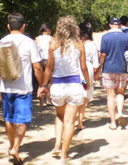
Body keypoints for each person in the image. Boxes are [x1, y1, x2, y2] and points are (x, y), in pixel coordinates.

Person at [0, 13, 44, 165]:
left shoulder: (0, 43)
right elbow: (37, 67)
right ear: (23, 26)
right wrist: (42, 85)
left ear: (8, 26)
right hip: (23, 89)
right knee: (22, 120)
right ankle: (15, 148)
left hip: (6, 88)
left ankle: (11, 145)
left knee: (9, 118)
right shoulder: (29, 43)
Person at [40, 15, 90, 164]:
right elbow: (83, 67)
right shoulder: (79, 44)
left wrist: (43, 86)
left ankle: (57, 145)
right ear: (74, 28)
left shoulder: (53, 43)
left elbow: (49, 68)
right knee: (70, 122)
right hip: (74, 86)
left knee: (60, 117)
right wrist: (87, 82)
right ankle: (64, 155)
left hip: (58, 86)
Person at [95, 17, 128, 130]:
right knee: (120, 93)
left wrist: (100, 66)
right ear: (119, 25)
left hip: (108, 69)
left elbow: (103, 54)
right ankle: (120, 113)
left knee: (110, 96)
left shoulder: (105, 37)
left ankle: (113, 123)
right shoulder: (126, 36)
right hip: (122, 68)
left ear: (110, 25)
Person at [76, 21, 100, 130]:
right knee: (84, 96)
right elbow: (96, 65)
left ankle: (71, 120)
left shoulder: (74, 43)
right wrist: (96, 73)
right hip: (87, 70)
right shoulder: (92, 45)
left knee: (74, 95)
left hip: (75, 69)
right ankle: (80, 122)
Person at [35, 22, 52, 106]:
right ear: (48, 29)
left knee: (41, 81)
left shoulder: (37, 39)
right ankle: (48, 99)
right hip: (49, 60)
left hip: (39, 60)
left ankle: (41, 101)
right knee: (49, 81)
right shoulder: (51, 39)